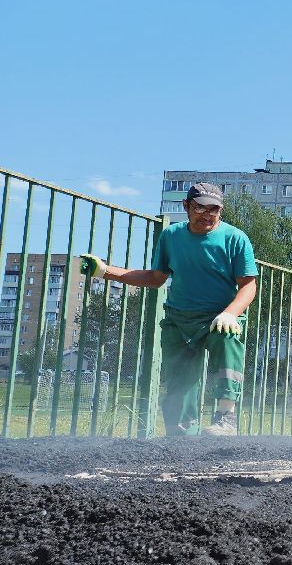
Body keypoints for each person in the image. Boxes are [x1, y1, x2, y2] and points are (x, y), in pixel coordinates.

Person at [79, 182, 258, 436]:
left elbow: (249, 286)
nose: (207, 214)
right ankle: (181, 435)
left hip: (220, 317)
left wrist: (230, 313)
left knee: (227, 338)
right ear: (186, 206)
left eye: (214, 209)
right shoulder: (171, 237)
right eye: (200, 208)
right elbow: (155, 278)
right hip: (180, 318)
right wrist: (105, 271)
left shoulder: (235, 239)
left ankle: (225, 417)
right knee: (179, 381)